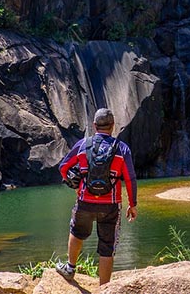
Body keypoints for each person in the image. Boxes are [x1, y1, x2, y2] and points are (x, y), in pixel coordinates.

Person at [56, 108, 138, 285]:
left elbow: (63, 167)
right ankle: (104, 288)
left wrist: (75, 186)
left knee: (77, 232)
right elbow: (130, 178)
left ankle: (70, 269)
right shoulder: (122, 148)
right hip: (111, 205)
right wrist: (133, 204)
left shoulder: (83, 144)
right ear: (113, 126)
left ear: (94, 125)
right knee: (107, 247)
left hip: (85, 201)